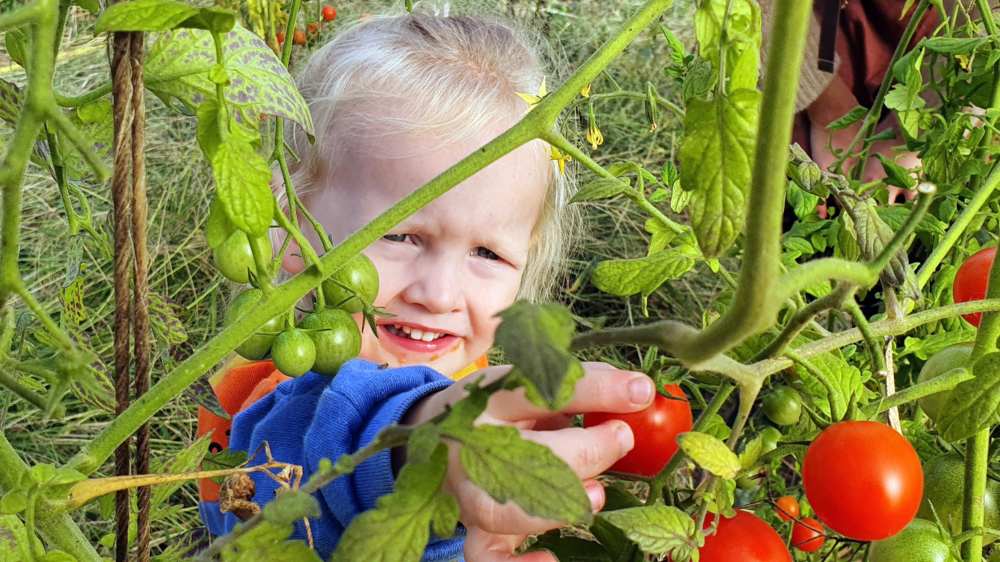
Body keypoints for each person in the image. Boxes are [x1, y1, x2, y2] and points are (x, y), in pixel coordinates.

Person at [196, 6, 657, 562]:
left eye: (487, 253)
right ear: (289, 229)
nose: (437, 294)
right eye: (401, 236)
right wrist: (423, 455)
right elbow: (317, 450)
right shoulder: (270, 400)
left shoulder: (490, 393)